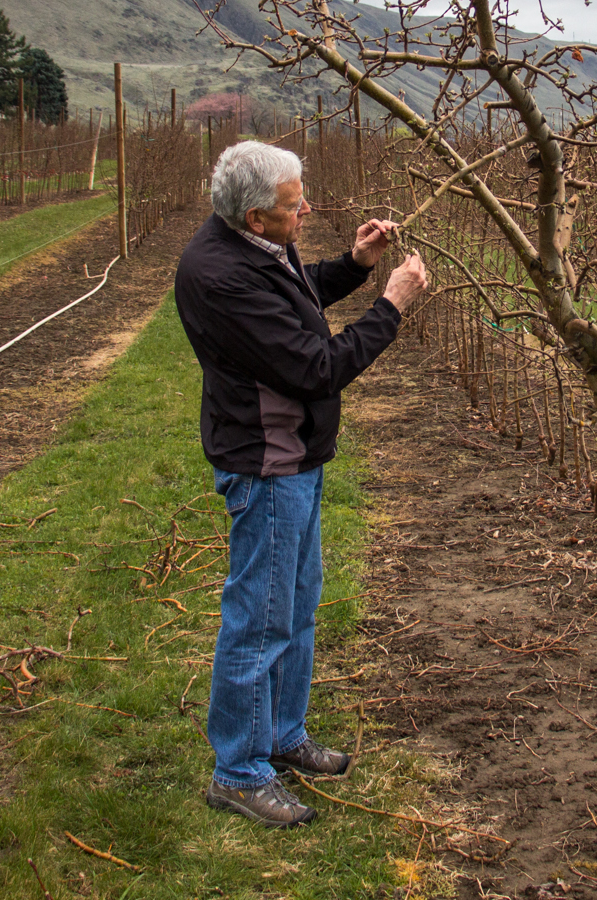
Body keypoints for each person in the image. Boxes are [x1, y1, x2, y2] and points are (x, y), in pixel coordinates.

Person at [174, 140, 429, 827]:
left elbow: (296, 293)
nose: (306, 209)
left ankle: (281, 735)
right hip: (268, 462)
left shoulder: (250, 246)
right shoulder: (221, 277)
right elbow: (317, 367)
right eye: (294, 205)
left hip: (297, 456)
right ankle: (237, 770)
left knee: (295, 605)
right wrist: (392, 306)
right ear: (255, 218)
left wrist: (354, 265)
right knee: (259, 620)